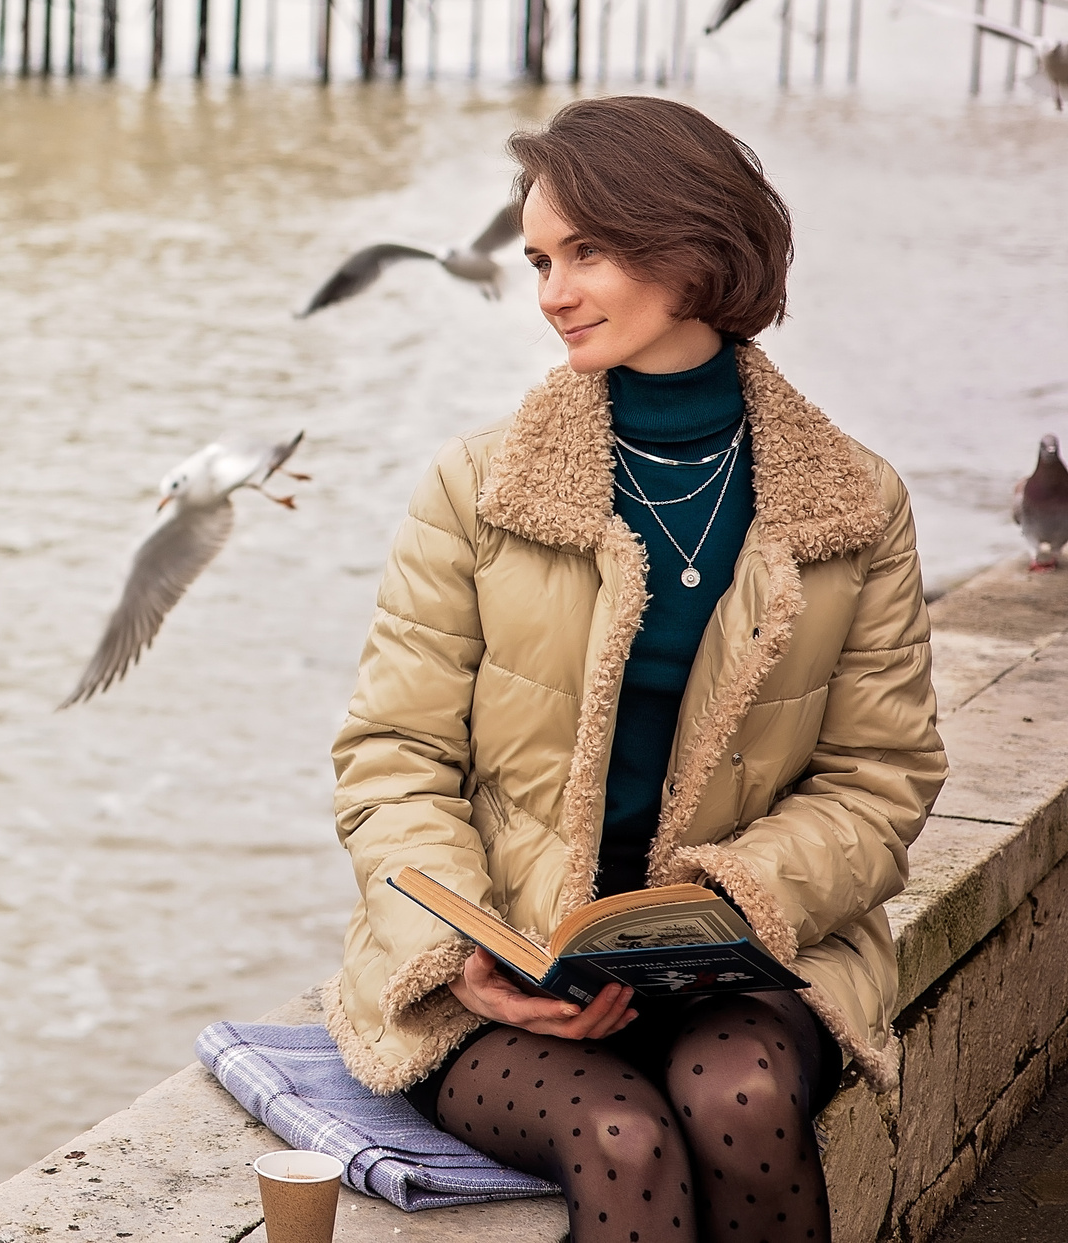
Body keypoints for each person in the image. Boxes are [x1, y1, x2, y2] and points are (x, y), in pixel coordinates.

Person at [324, 97, 945, 1243]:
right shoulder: (476, 488)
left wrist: (735, 899)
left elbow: (880, 777)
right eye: (540, 259)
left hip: (744, 955)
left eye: (588, 252)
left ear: (696, 244)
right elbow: (391, 757)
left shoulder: (855, 503)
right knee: (621, 1137)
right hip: (510, 965)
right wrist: (460, 955)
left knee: (740, 1100)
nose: (551, 291)